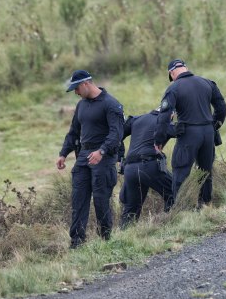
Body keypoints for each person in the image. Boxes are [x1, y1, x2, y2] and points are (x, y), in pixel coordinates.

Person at [56, 70, 124, 249]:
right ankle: (77, 243)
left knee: (101, 201)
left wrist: (101, 151)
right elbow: (73, 132)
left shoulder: (111, 104)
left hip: (104, 158)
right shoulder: (81, 106)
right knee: (78, 200)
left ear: (86, 83)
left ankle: (105, 240)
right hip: (83, 158)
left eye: (77, 88)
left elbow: (116, 134)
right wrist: (63, 153)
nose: (76, 93)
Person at [154, 59, 226, 207]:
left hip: (188, 133)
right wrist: (214, 125)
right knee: (205, 171)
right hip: (208, 132)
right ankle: (206, 205)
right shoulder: (207, 83)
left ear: (172, 73)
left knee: (180, 170)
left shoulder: (174, 88)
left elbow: (163, 117)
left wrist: (159, 140)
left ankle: (180, 208)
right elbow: (221, 107)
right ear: (186, 68)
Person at [119, 108, 175, 228]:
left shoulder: (137, 119)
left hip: (129, 169)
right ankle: (169, 226)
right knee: (175, 193)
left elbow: (117, 134)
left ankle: (123, 238)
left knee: (131, 210)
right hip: (149, 165)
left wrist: (119, 157)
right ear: (171, 114)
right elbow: (182, 132)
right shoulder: (164, 122)